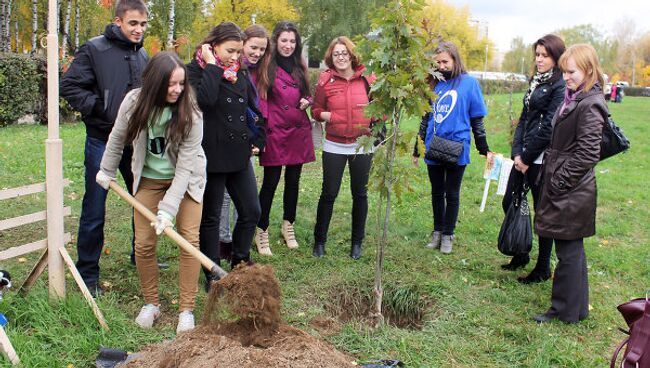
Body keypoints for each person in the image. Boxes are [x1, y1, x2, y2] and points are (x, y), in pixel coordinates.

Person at [95, 51, 205, 333]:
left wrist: (168, 209)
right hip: (149, 179)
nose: (177, 90)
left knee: (188, 241)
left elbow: (184, 168)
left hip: (187, 179)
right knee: (143, 244)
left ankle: (186, 310)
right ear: (155, 82)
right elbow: (118, 138)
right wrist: (106, 171)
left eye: (181, 84)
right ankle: (151, 304)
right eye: (171, 84)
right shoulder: (134, 102)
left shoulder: (190, 111)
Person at [60, 0, 148, 297]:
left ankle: (142, 256)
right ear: (119, 21)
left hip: (134, 142)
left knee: (143, 201)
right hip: (102, 140)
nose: (139, 29)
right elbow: (69, 85)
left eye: (143, 24)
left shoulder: (143, 54)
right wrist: (100, 109)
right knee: (95, 206)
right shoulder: (95, 49)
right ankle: (88, 272)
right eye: (133, 23)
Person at [187, 22, 265, 290]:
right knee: (210, 217)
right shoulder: (195, 70)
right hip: (211, 155)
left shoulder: (239, 72)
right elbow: (204, 101)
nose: (235, 57)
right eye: (230, 51)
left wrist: (258, 136)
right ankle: (212, 271)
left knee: (252, 210)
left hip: (238, 153)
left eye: (238, 52)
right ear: (213, 46)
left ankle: (240, 261)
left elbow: (250, 109)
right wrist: (211, 65)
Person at [533, 44, 606, 324]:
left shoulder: (590, 103)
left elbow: (588, 153)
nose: (566, 77)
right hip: (567, 183)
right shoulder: (576, 97)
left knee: (568, 251)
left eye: (572, 71)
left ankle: (563, 310)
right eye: (564, 71)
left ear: (588, 69)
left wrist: (560, 182)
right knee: (571, 250)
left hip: (571, 187)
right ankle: (576, 309)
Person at [412, 41, 493, 254]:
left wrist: (483, 148)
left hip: (457, 146)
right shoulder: (432, 84)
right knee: (437, 192)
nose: (441, 66)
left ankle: (448, 234)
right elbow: (425, 118)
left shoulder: (469, 83)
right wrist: (417, 147)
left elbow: (477, 119)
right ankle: (437, 231)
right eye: (437, 62)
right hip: (433, 145)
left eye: (445, 61)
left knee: (452, 193)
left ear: (455, 60)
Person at [500, 34, 566, 284]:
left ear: (556, 58)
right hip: (524, 156)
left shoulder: (560, 85)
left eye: (544, 55)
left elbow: (549, 127)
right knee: (511, 201)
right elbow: (524, 118)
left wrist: (527, 158)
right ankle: (521, 252)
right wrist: (517, 153)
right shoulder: (536, 81)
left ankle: (542, 267)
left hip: (542, 160)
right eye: (537, 54)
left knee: (542, 213)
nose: (538, 59)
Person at [311, 36, 375, 260]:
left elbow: (381, 109)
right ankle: (319, 241)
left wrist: (373, 119)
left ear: (352, 55)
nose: (340, 57)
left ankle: (357, 243)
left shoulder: (368, 79)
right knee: (329, 193)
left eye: (344, 53)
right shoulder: (325, 81)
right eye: (336, 54)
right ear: (331, 57)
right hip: (334, 145)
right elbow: (316, 110)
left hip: (362, 146)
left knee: (360, 194)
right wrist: (330, 115)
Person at [254, 21, 315, 255]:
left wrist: (307, 101)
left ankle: (288, 225)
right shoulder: (267, 65)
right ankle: (262, 229)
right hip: (275, 132)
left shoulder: (300, 66)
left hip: (297, 131)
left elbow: (309, 94)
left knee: (293, 181)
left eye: (292, 41)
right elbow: (261, 100)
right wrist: (262, 129)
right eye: (284, 40)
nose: (288, 45)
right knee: (270, 182)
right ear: (276, 41)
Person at [219, 24, 269, 262]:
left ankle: (238, 251)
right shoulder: (227, 69)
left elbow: (253, 110)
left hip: (244, 142)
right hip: (223, 146)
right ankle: (224, 243)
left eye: (262, 49)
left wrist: (258, 137)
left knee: (247, 205)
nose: (257, 53)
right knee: (223, 201)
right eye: (253, 47)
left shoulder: (249, 71)